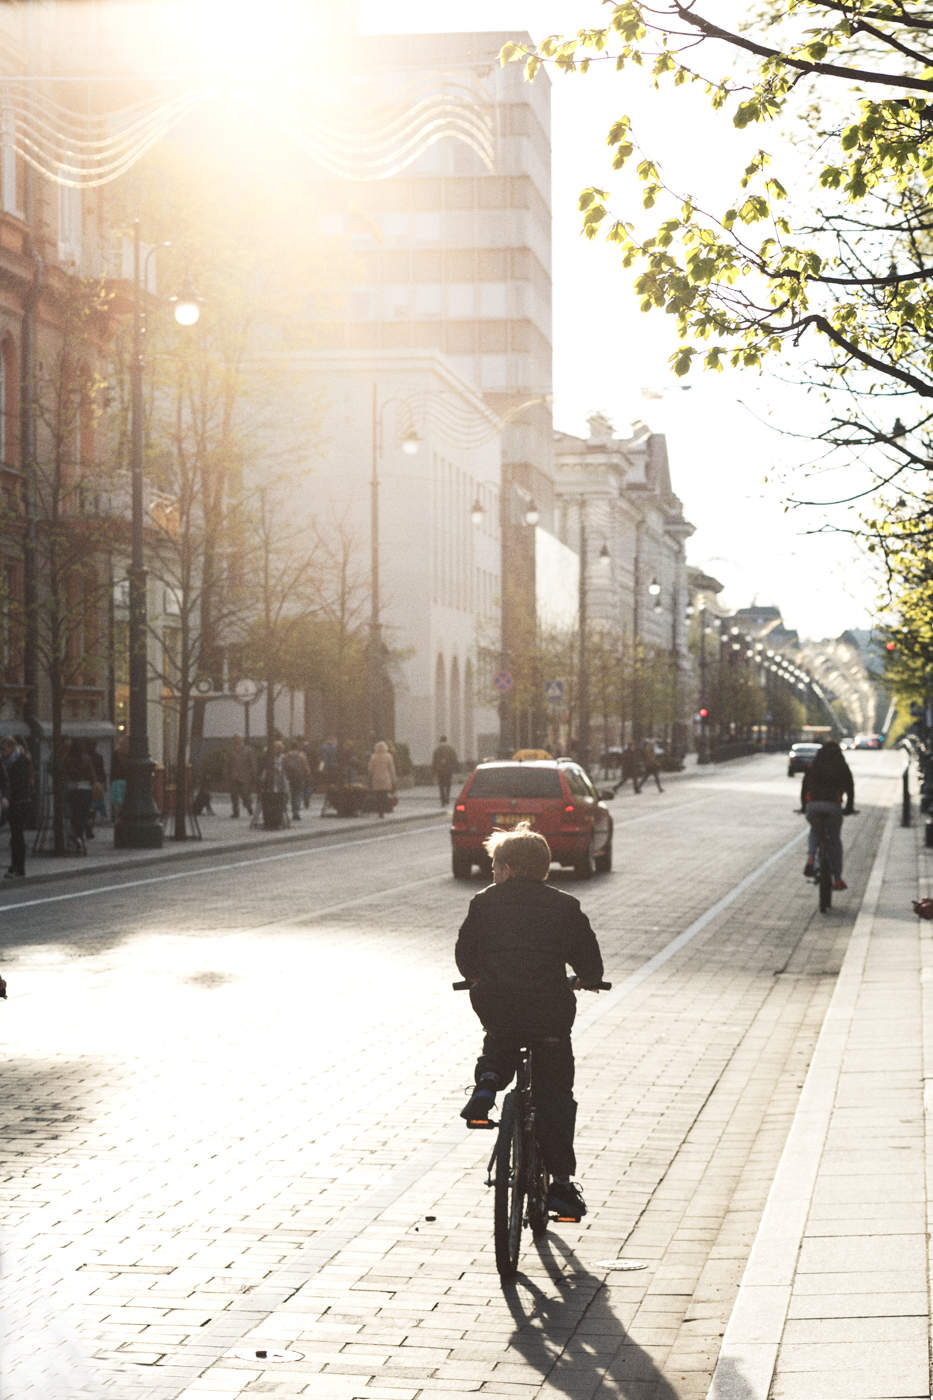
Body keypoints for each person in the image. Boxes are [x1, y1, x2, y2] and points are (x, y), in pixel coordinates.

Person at [455, 822, 604, 1222]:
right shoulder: (564, 906)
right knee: (555, 1092)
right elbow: (589, 961)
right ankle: (560, 1186)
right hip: (549, 1012)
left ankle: (487, 1085)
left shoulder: (484, 903)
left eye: (493, 866)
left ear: (505, 868)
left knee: (500, 1040)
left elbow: (466, 955)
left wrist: (476, 975)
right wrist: (587, 980)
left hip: (498, 1005)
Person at [800, 740, 855, 890]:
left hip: (813, 806)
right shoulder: (841, 766)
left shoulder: (814, 764)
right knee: (835, 841)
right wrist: (849, 807)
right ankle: (837, 878)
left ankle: (811, 858)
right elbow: (850, 787)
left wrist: (804, 806)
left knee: (815, 829)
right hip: (833, 806)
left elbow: (804, 787)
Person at [0, 735, 31, 879]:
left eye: (4, 749)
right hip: (13, 802)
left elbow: (20, 783)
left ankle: (19, 867)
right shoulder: (7, 762)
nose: (2, 751)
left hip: (20, 802)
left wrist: (10, 797)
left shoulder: (21, 761)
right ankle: (15, 866)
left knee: (17, 835)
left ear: (12, 748)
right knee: (15, 835)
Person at [226, 733, 256, 819]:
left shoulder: (248, 750)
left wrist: (253, 774)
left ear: (241, 740)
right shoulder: (231, 751)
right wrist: (227, 774)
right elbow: (227, 763)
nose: (236, 741)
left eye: (237, 739)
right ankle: (235, 812)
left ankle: (249, 808)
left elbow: (252, 763)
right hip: (234, 776)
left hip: (245, 776)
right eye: (234, 739)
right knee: (234, 795)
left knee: (245, 794)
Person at [283, 740, 312, 821]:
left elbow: (283, 767)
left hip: (289, 777)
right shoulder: (301, 755)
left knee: (292, 794)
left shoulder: (286, 756)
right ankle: (296, 812)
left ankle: (292, 809)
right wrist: (308, 774)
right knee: (298, 794)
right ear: (297, 747)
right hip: (299, 777)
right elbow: (306, 767)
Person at [367, 739, 396, 818]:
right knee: (384, 795)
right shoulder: (388, 756)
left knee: (378, 796)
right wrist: (394, 779)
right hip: (386, 778)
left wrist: (370, 777)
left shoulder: (373, 756)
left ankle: (380, 811)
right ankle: (383, 810)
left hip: (376, 779)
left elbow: (370, 769)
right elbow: (391, 769)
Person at [431, 735, 459, 807]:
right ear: (446, 740)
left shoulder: (437, 750)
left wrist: (434, 770)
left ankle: (442, 800)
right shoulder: (450, 749)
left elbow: (434, 761)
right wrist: (454, 768)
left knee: (441, 785)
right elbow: (454, 759)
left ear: (440, 741)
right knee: (448, 785)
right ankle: (447, 798)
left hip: (440, 770)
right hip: (448, 770)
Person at [110, 734, 128, 823]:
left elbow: (113, 768)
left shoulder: (116, 753)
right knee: (126, 803)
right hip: (127, 781)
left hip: (117, 781)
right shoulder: (131, 754)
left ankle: (118, 820)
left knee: (118, 804)